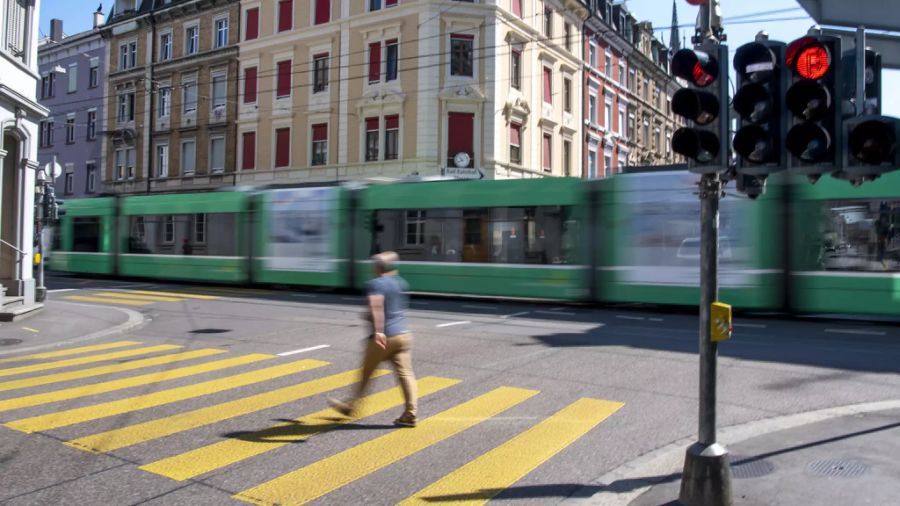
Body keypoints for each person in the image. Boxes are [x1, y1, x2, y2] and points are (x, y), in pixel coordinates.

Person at [329, 251, 418, 427]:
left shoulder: (375, 284)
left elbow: (376, 305)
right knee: (406, 374)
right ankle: (410, 413)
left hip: (385, 337)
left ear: (377, 267)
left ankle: (351, 407)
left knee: (366, 374)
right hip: (404, 335)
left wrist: (378, 331)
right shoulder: (401, 283)